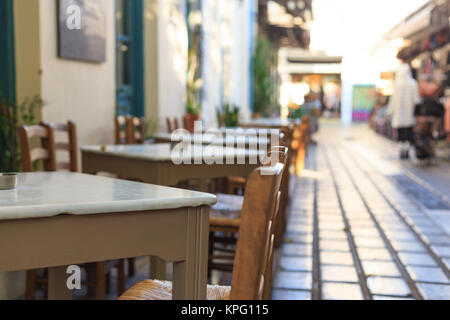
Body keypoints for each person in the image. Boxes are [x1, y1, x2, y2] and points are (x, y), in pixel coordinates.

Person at [387, 62, 420, 159]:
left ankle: (402, 150)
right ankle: (407, 150)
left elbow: (393, 101)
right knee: (408, 132)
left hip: (399, 115)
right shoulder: (413, 83)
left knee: (401, 132)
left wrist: (390, 111)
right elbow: (416, 99)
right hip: (409, 113)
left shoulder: (397, 85)